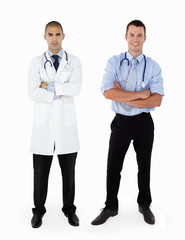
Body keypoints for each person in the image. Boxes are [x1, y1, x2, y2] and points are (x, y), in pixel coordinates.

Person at [91, 20, 164, 226]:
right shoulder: (114, 62)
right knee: (113, 166)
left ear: (145, 38)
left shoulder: (153, 66)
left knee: (144, 167)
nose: (135, 39)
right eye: (131, 35)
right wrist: (141, 95)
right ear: (126, 37)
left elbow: (157, 100)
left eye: (139, 35)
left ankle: (144, 204)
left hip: (144, 123)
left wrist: (122, 96)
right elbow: (107, 92)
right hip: (121, 122)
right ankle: (110, 207)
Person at [28, 21, 82, 228]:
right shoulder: (36, 62)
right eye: (50, 34)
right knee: (40, 173)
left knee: (69, 173)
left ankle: (69, 210)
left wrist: (47, 86)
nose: (54, 38)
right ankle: (38, 211)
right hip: (43, 128)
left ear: (63, 36)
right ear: (44, 37)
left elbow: (76, 88)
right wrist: (60, 90)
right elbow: (32, 92)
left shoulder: (74, 62)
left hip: (67, 128)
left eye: (58, 34)